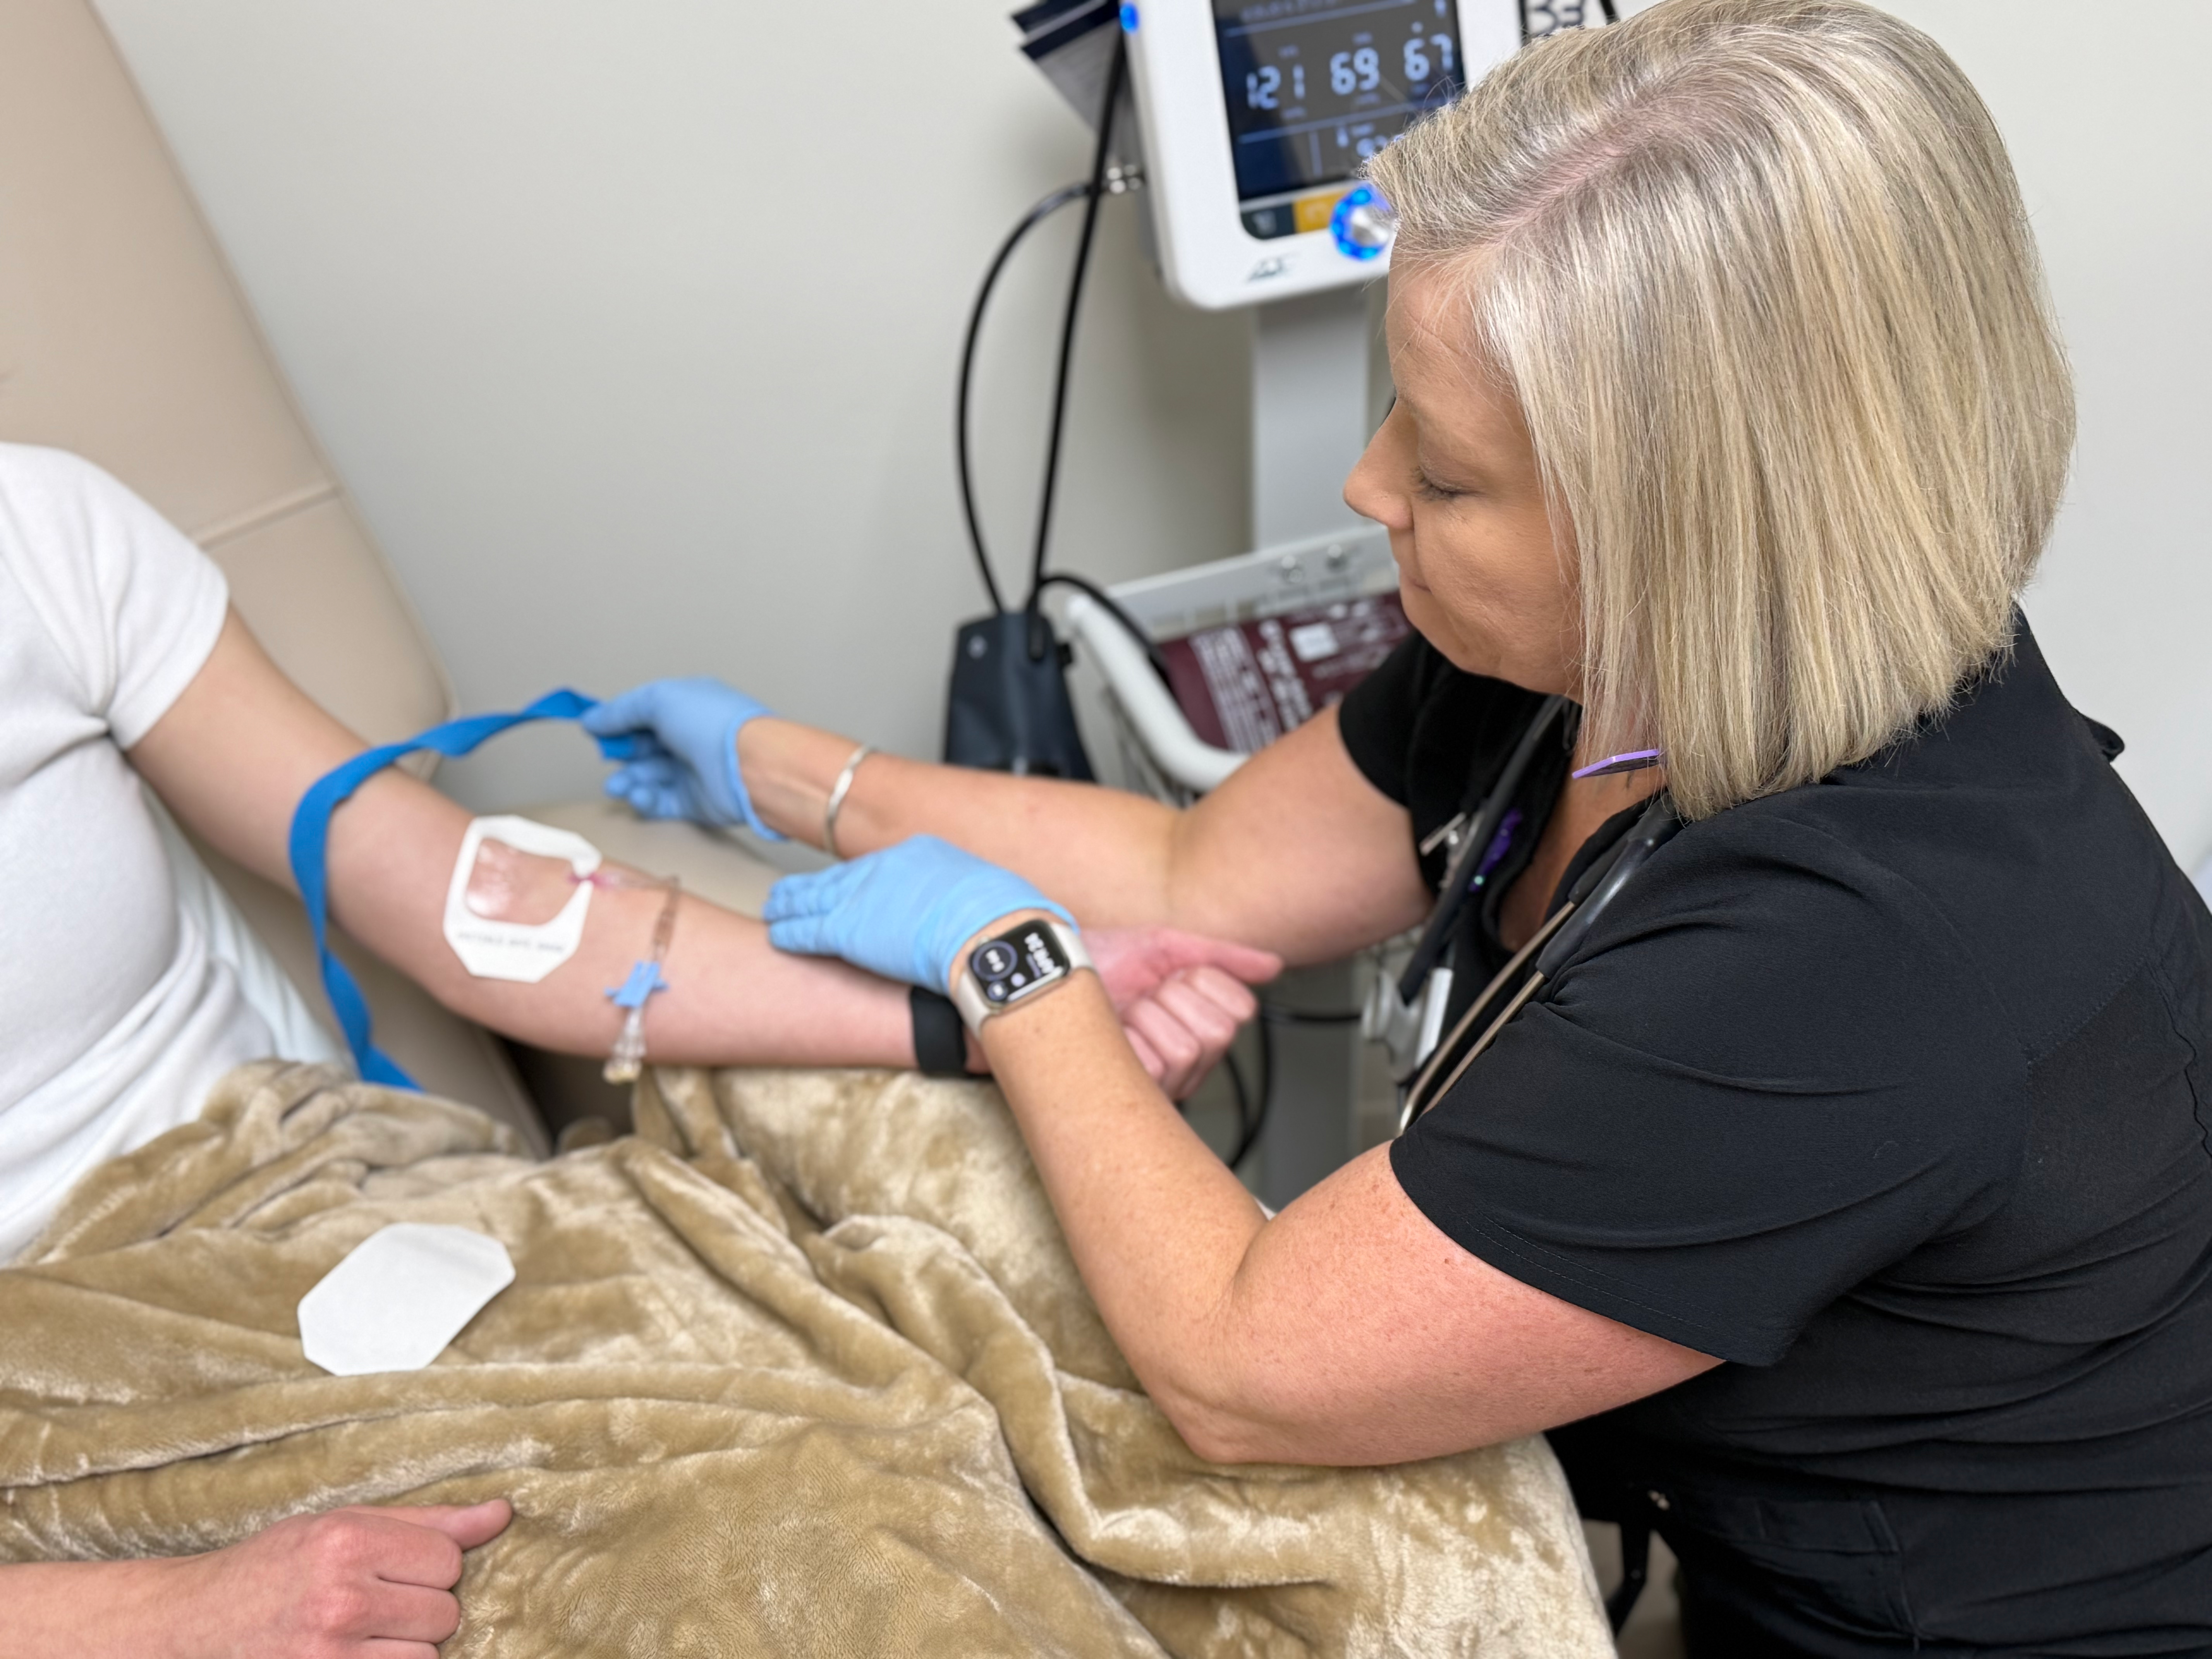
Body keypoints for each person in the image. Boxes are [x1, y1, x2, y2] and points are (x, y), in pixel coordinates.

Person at [581, 2, 2212, 1652]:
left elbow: (1239, 1365)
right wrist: (784, 771)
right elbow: (1197, 870)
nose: (1369, 490)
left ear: (1683, 537)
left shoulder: (1856, 953)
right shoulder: (1594, 668)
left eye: (1441, 471)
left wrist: (1009, 967)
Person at [0, 441, 1272, 1656]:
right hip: (59, 1365)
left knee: (1083, 1317)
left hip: (318, 1180)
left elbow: (475, 909)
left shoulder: (42, 536)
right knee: (807, 1556)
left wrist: (986, 1005)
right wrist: (155, 1616)